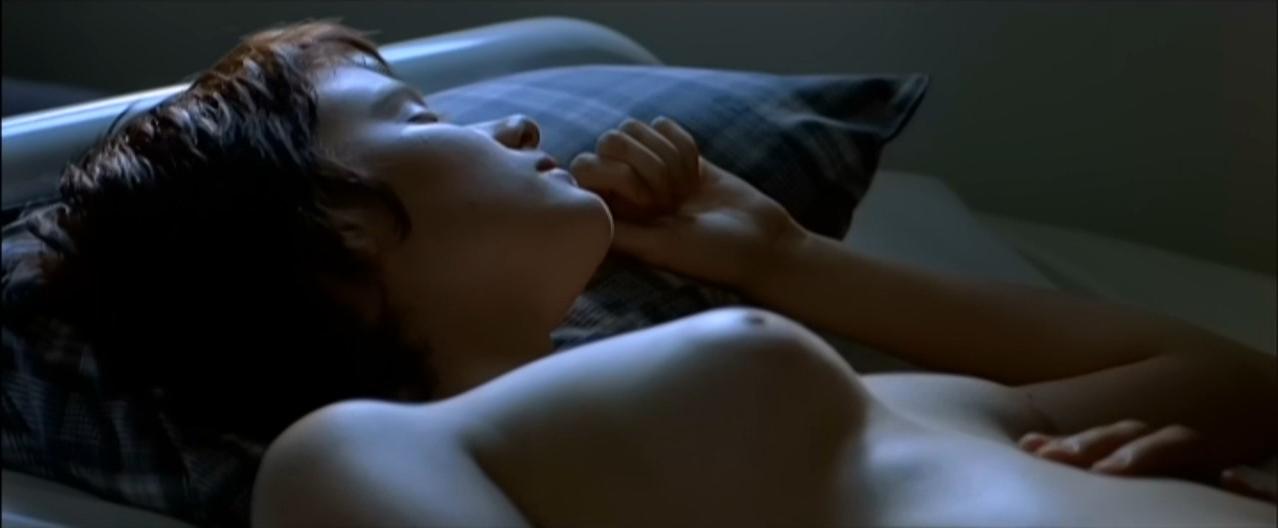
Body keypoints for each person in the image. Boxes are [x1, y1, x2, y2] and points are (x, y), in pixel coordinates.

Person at [29, 22, 1274, 527]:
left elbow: (1236, 386)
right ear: (337, 226)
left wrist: (785, 260)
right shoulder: (347, 454)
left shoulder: (861, 397)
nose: (518, 126)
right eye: (421, 117)